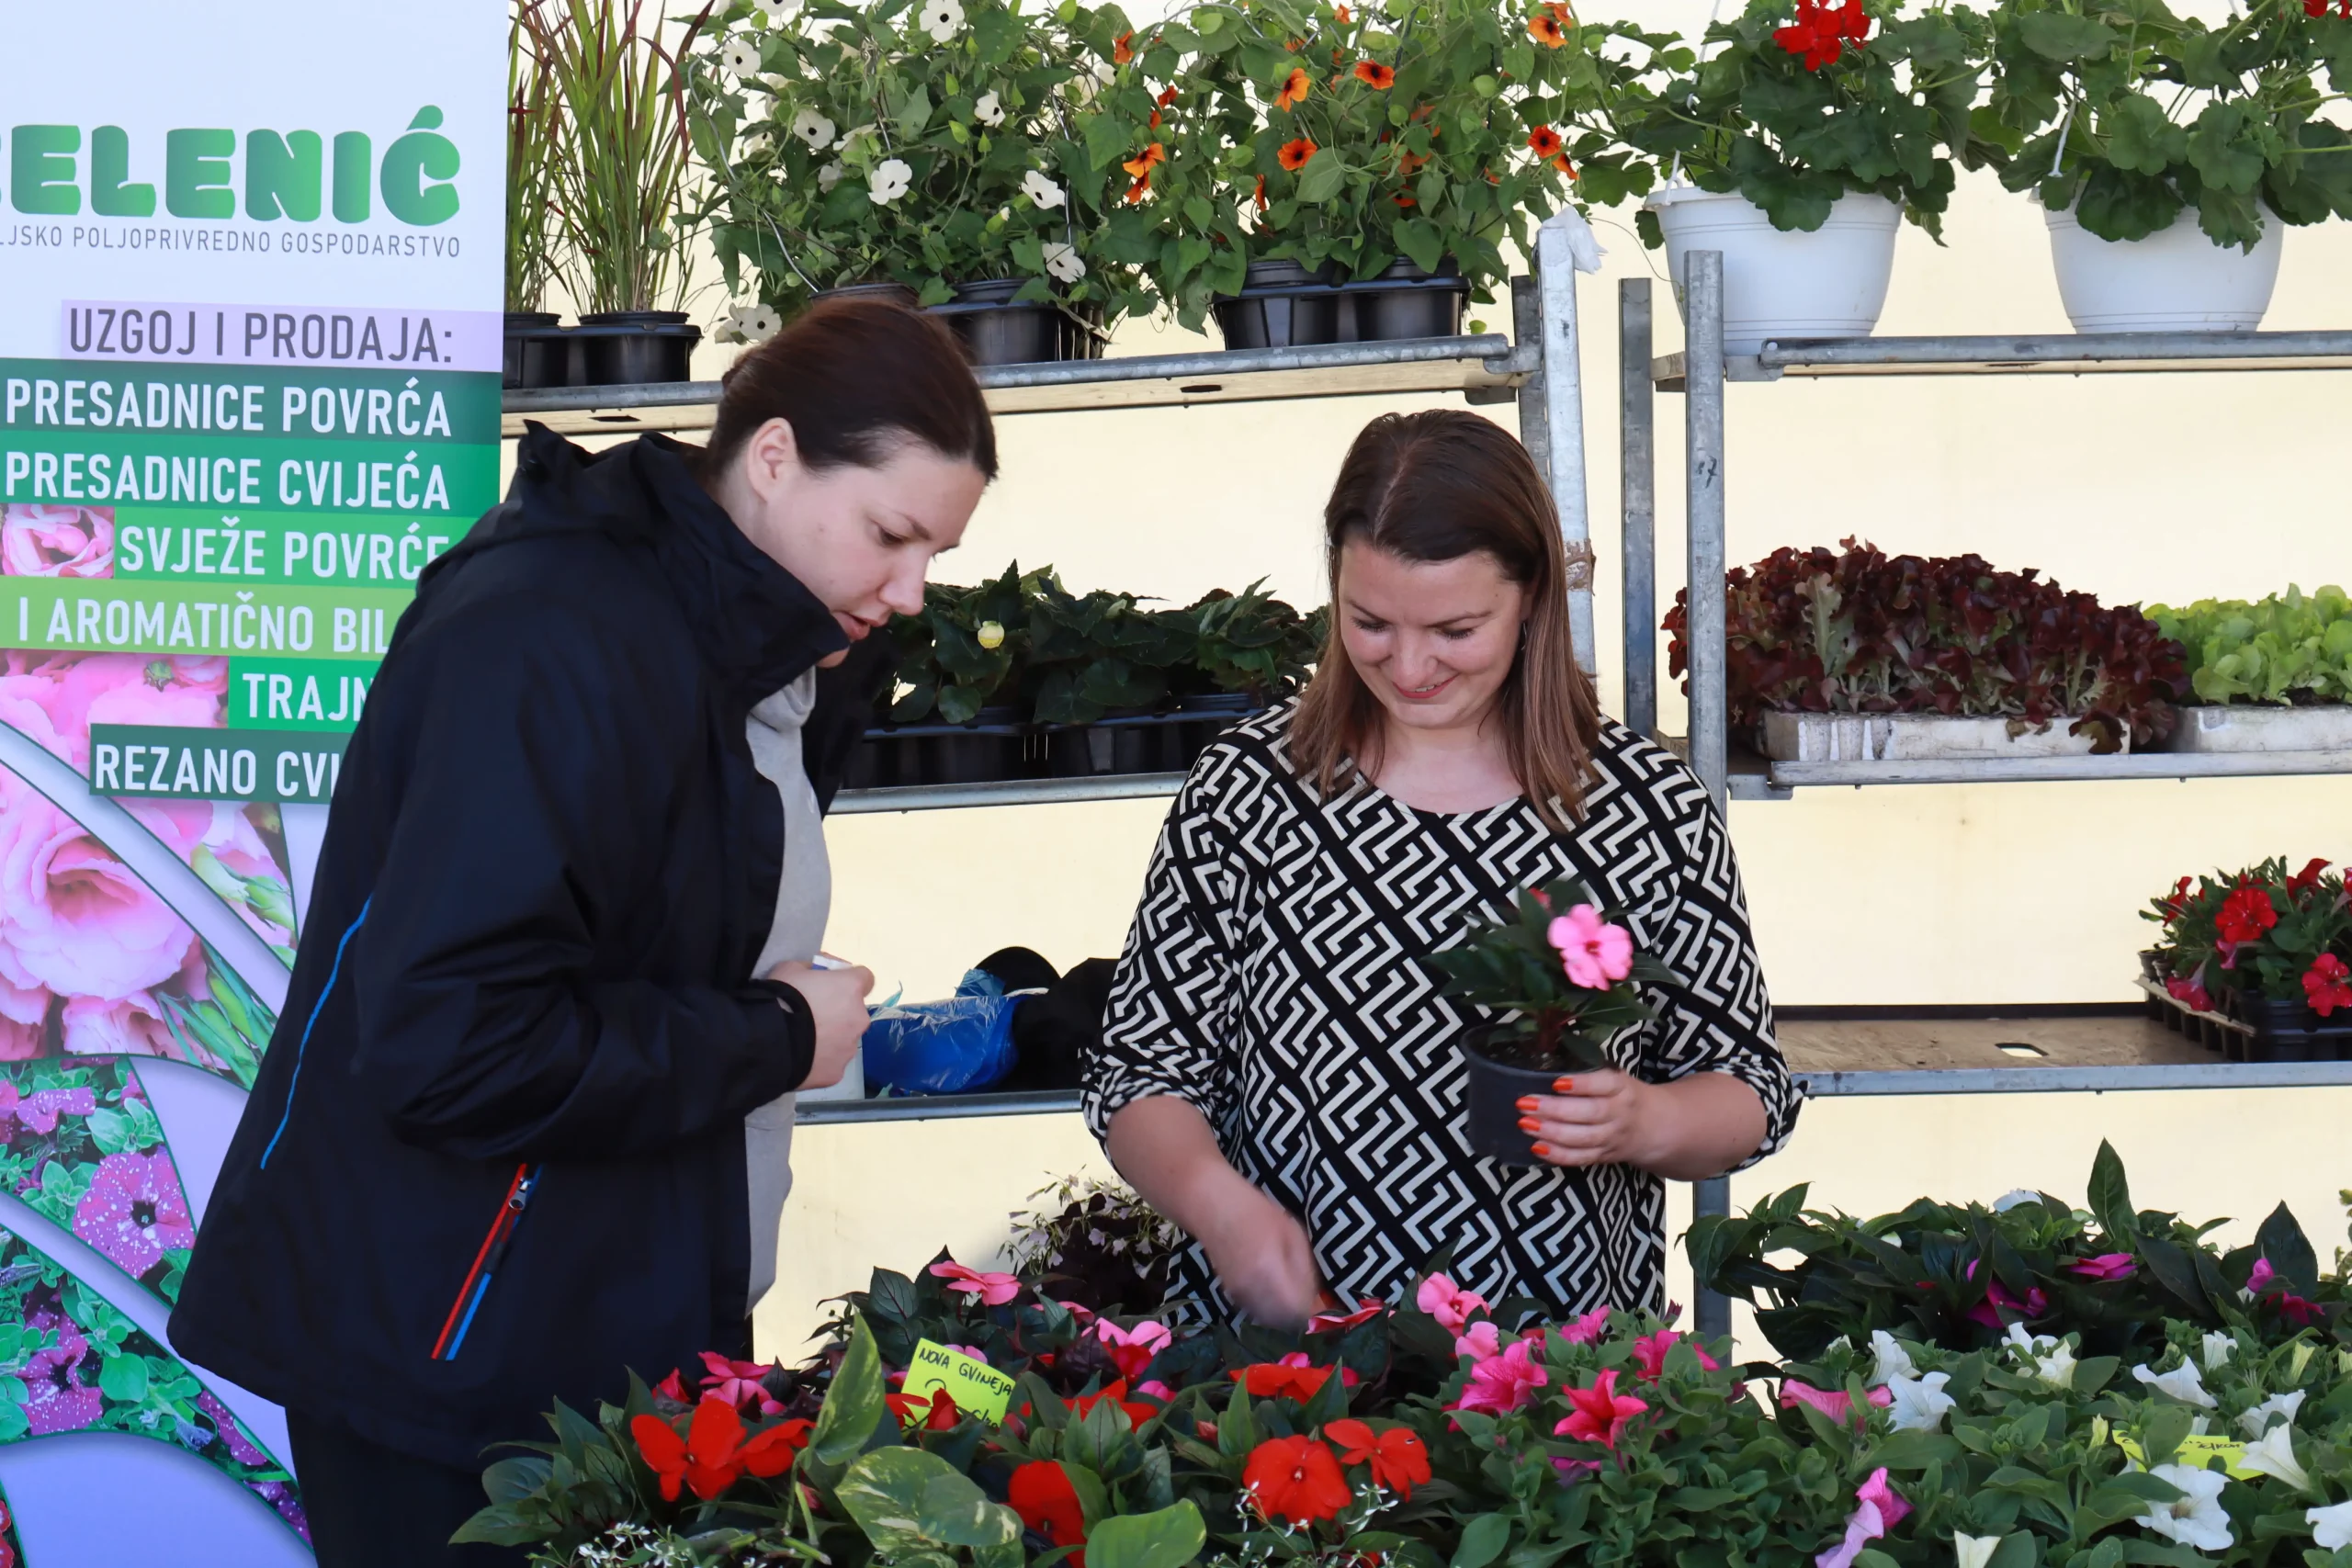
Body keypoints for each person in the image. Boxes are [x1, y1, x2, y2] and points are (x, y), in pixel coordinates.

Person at [171, 299, 995, 1566]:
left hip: (574, 1332)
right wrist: (772, 1034)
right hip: (448, 1357)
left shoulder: (756, 645)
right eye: (892, 535)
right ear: (772, 457)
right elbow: (451, 1036)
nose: (910, 588)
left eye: (934, 551)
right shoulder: (551, 635)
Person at [1084, 409, 1797, 1326]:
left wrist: (1644, 1123)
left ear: (1534, 594)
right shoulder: (1249, 790)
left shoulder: (1644, 803)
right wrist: (1225, 1216)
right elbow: (1141, 1070)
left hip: (1558, 1383)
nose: (1409, 664)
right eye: (1368, 622)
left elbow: (1745, 1083)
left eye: (1456, 629)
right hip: (1292, 1369)